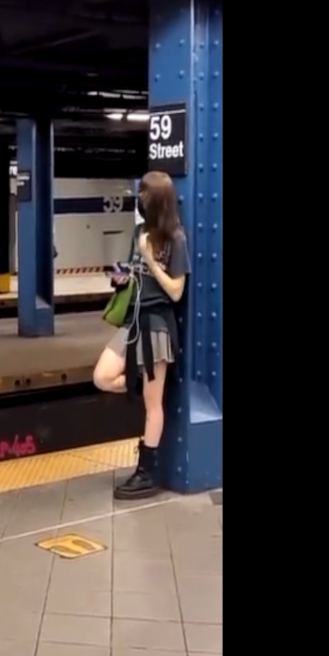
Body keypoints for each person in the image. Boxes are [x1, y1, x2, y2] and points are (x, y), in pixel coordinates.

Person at [91, 171, 191, 499]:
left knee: (153, 404)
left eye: (145, 194)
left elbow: (177, 291)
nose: (140, 199)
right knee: (102, 376)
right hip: (132, 320)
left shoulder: (175, 238)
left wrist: (150, 259)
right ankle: (134, 384)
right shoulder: (138, 232)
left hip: (157, 323)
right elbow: (135, 271)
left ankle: (145, 470)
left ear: (158, 201)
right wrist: (123, 275)